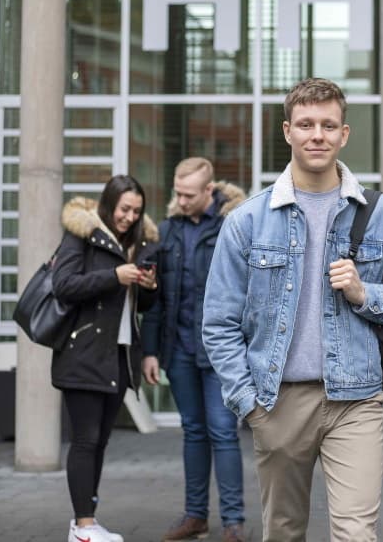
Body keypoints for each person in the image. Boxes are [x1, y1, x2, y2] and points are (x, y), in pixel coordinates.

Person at [201, 77, 383, 542]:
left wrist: (365, 293)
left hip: (356, 399)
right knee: (285, 532)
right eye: (307, 124)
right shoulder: (247, 221)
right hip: (277, 401)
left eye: (328, 125)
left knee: (355, 533)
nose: (318, 135)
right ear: (288, 131)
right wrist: (249, 405)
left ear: (344, 134)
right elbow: (219, 322)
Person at [141, 158, 247, 542]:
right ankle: (195, 515)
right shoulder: (167, 232)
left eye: (188, 194)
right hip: (180, 350)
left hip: (221, 352)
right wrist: (150, 352)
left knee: (223, 431)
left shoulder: (233, 227)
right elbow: (156, 299)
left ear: (209, 191)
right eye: (177, 193)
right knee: (193, 431)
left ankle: (234, 521)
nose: (180, 200)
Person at [52, 175, 160, 542]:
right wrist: (114, 275)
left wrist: (148, 288)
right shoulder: (81, 235)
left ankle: (87, 521)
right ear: (108, 204)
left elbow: (138, 307)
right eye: (124, 209)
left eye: (136, 211)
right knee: (85, 440)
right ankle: (83, 526)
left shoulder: (139, 243)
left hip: (117, 355)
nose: (130, 217)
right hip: (82, 353)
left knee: (99, 442)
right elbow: (63, 286)